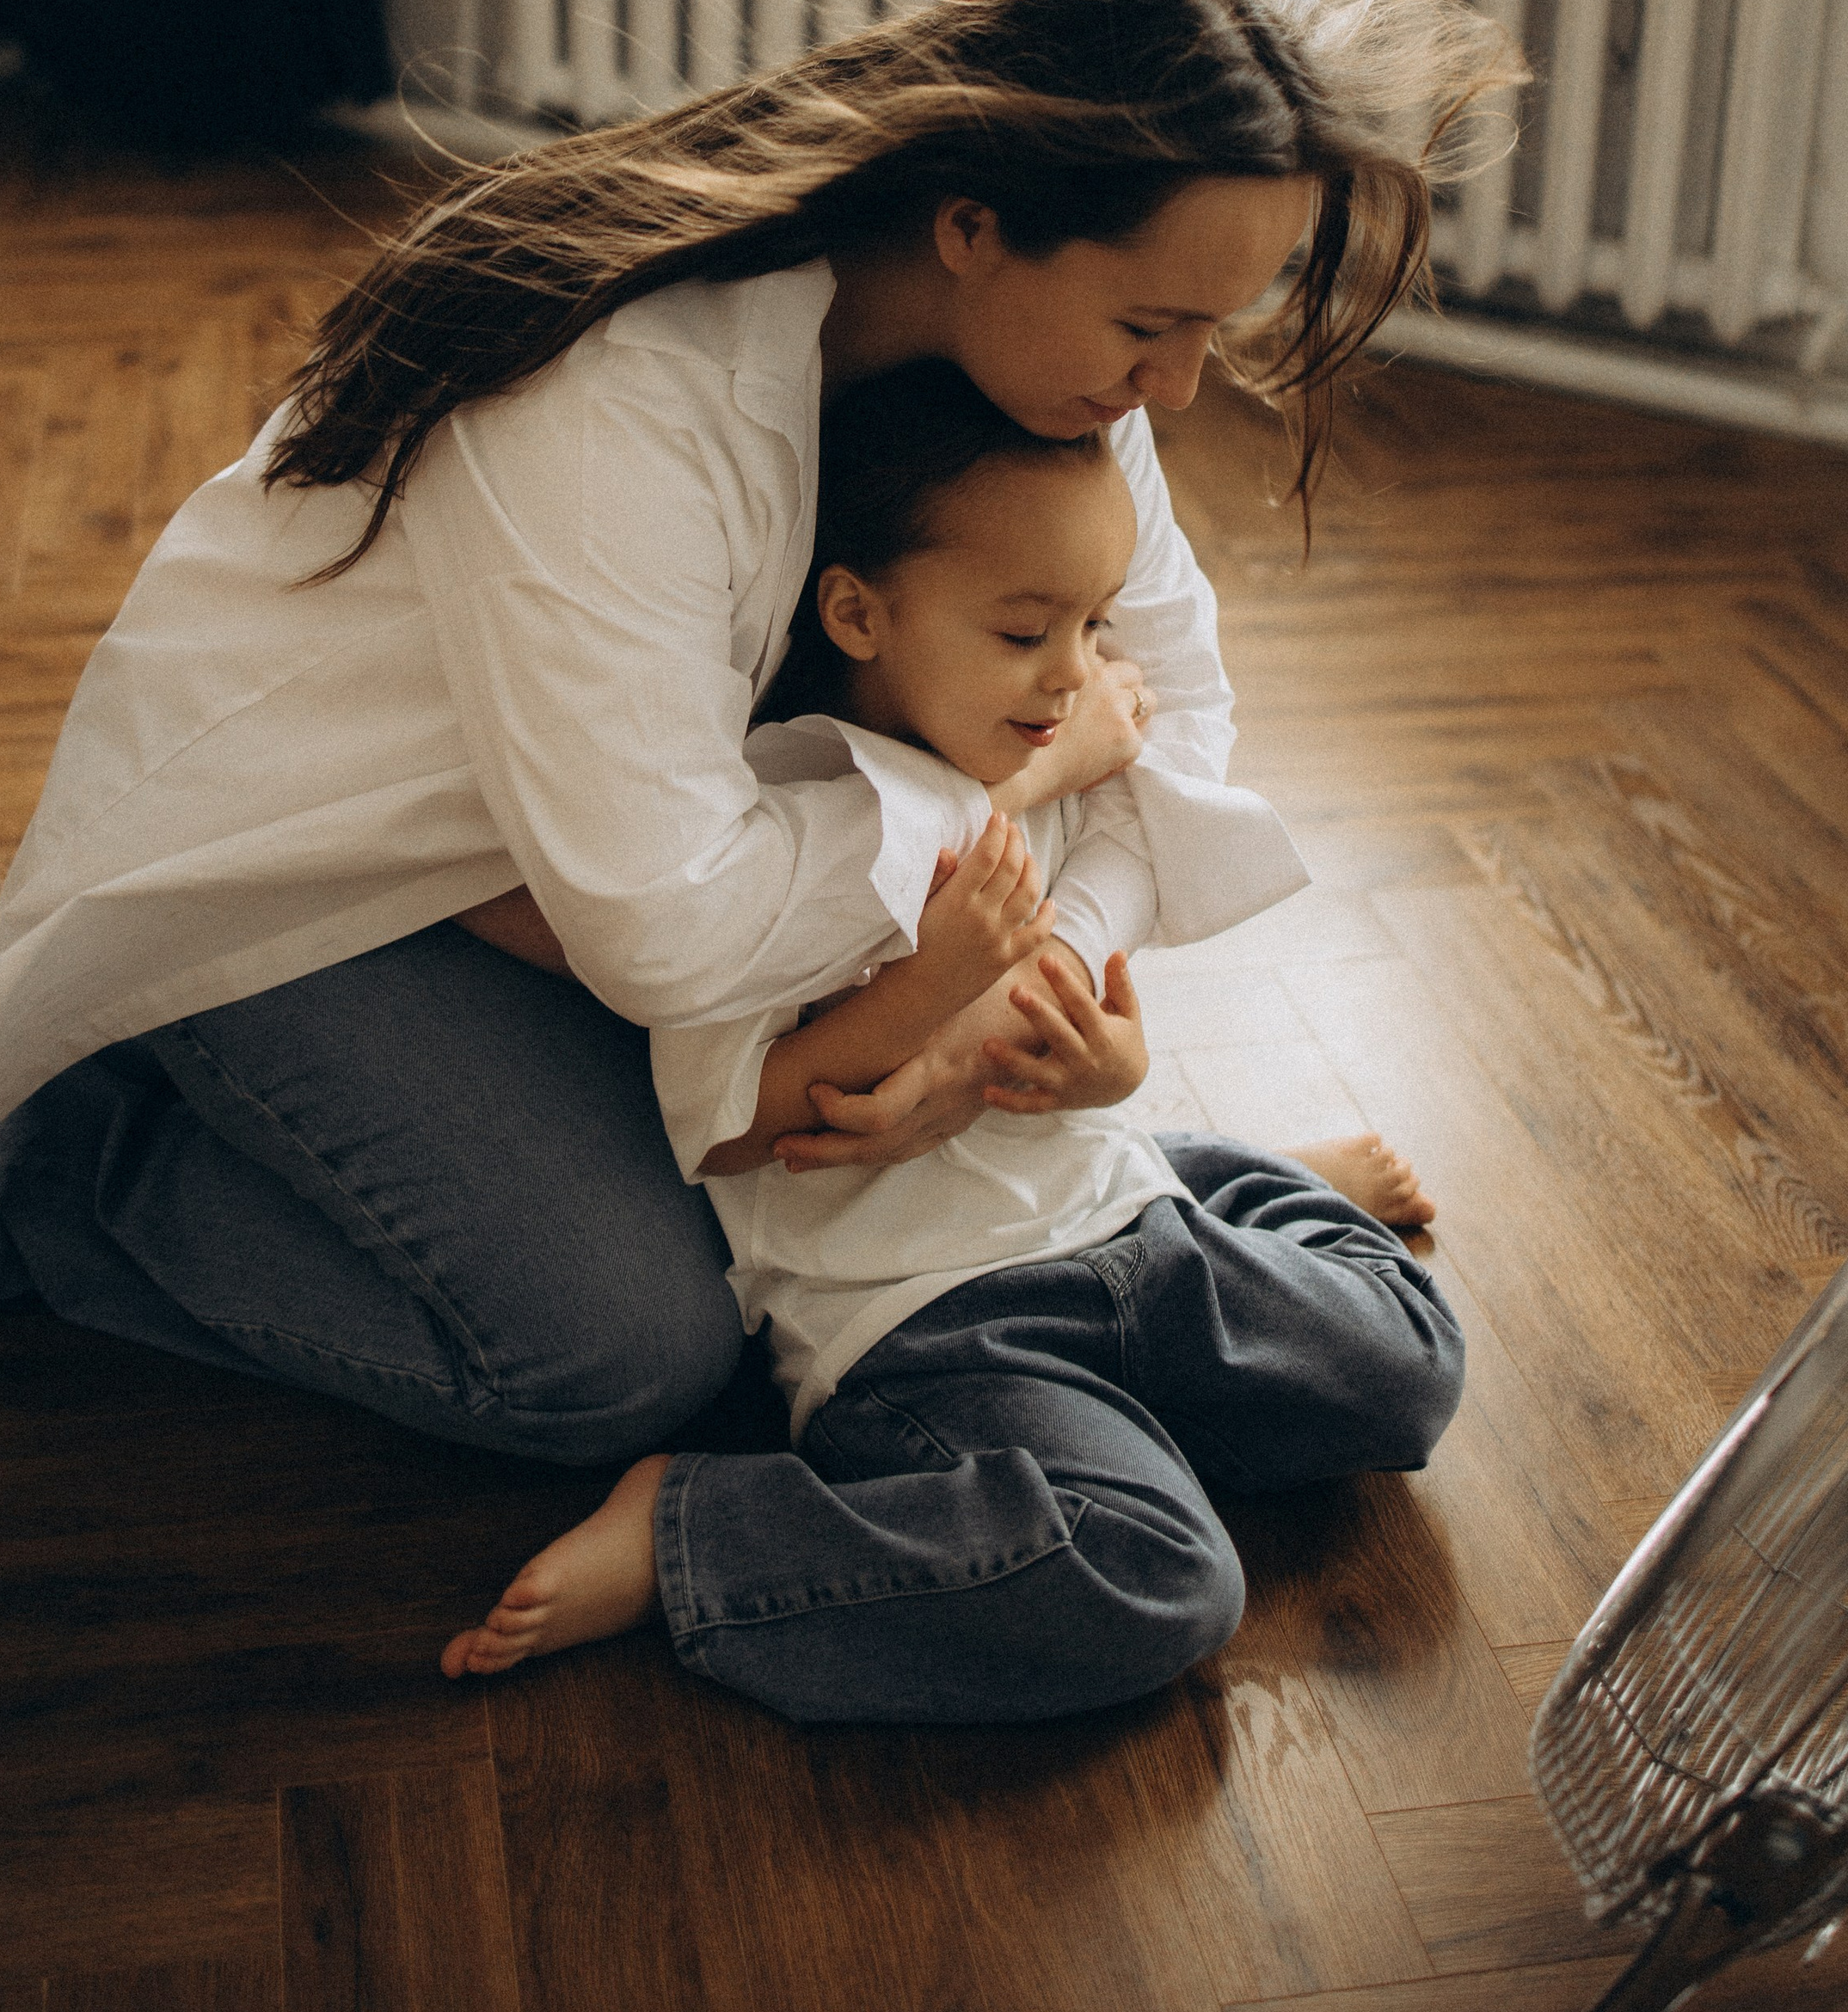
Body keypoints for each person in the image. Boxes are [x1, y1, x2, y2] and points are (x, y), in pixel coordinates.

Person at [0, 0, 1518, 1529]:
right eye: (1146, 325)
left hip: (577, 881)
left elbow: (1171, 732)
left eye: (1207, 331)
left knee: (796, 1244)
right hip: (315, 884)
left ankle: (1104, 1180)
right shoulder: (614, 395)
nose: (1173, 391)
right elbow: (678, 932)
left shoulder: (1039, 377)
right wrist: (1022, 788)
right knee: (622, 1361)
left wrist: (990, 1015)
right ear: (973, 225)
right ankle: (78, 1179)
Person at [437, 358, 1454, 1722]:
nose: (1074, 678)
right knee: (1157, 1581)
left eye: (1094, 625)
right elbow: (730, 1130)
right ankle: (691, 1532)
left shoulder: (1025, 757)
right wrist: (941, 978)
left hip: (1120, 1218)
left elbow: (1076, 1006)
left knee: (1409, 1366)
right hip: (929, 1327)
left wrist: (1113, 1073)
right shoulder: (767, 836)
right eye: (1028, 630)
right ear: (860, 612)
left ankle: (1220, 1177)